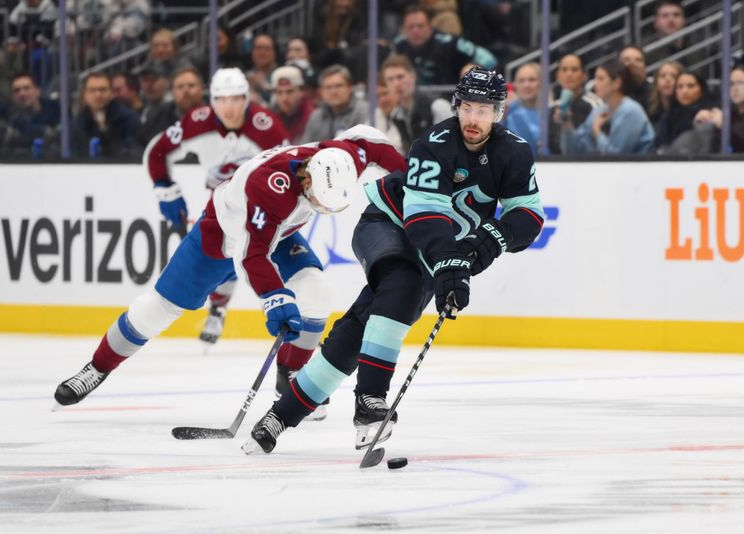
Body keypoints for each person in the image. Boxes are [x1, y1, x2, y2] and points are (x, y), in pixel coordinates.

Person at [244, 67, 544, 454]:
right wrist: (452, 263)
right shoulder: (434, 143)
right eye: (467, 108)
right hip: (388, 223)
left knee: (363, 324)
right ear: (457, 106)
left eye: (483, 110)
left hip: (436, 247)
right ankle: (370, 401)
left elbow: (529, 214)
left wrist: (490, 240)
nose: (472, 118)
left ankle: (280, 416)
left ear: (499, 112)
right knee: (401, 286)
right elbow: (423, 217)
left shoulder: (515, 152)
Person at [53, 125, 407, 420]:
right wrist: (274, 299)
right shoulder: (271, 187)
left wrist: (413, 182)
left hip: (277, 232)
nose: (319, 209)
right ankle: (96, 367)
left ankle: (290, 374)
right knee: (153, 311)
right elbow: (251, 254)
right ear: (308, 178)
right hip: (220, 235)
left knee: (316, 292)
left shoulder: (343, 158)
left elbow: (370, 141)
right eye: (317, 202)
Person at [142, 67, 288, 346]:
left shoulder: (266, 125)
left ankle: (284, 315)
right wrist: (164, 187)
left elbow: (288, 169)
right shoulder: (198, 121)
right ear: (212, 101)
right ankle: (218, 309)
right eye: (221, 100)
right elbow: (157, 151)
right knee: (223, 256)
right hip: (220, 202)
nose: (229, 107)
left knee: (261, 258)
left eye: (235, 99)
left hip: (262, 203)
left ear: (247, 99)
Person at [560, 60, 655, 155]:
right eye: (595, 78)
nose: (595, 84)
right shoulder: (599, 110)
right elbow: (574, 150)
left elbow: (617, 157)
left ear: (616, 83)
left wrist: (597, 132)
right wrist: (566, 123)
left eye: (601, 79)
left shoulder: (631, 111)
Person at [394, 5, 497, 86]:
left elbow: (489, 60)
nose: (415, 31)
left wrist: (470, 72)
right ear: (404, 29)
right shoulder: (398, 46)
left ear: (430, 27)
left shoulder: (450, 43)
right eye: (410, 27)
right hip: (411, 103)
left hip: (448, 100)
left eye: (420, 26)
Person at [71, 72, 140, 158]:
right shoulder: (77, 123)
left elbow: (133, 151)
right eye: (92, 90)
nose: (98, 95)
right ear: (84, 94)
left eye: (103, 90)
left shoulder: (128, 119)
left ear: (111, 93)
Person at [299, 64, 369, 143]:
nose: (333, 92)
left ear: (350, 88)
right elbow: (305, 147)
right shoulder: (316, 116)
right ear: (321, 92)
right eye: (328, 87)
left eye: (338, 86)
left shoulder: (365, 111)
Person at [547, 54, 602, 154]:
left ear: (584, 75)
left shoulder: (595, 104)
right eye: (564, 70)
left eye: (574, 70)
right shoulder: (552, 108)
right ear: (557, 76)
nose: (569, 74)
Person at [136, 66, 205, 145]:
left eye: (191, 85)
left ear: (201, 89)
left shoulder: (214, 115)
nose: (186, 91)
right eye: (180, 87)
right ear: (173, 92)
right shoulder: (156, 118)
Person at [381, 53, 434, 154]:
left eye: (400, 77)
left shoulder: (436, 106)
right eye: (390, 79)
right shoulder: (396, 115)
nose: (396, 84)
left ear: (412, 76)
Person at [8, 73, 61, 152]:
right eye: (17, 91)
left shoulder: (56, 111)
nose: (22, 94)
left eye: (26, 88)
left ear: (37, 91)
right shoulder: (12, 119)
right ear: (13, 97)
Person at [269, 65, 315, 144]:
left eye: (289, 91)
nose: (284, 98)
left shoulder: (313, 117)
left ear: (302, 92)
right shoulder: (271, 117)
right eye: (279, 92)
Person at [503, 62, 541, 154]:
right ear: (515, 84)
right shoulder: (507, 110)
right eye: (521, 80)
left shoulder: (549, 112)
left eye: (532, 80)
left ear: (541, 82)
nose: (526, 85)